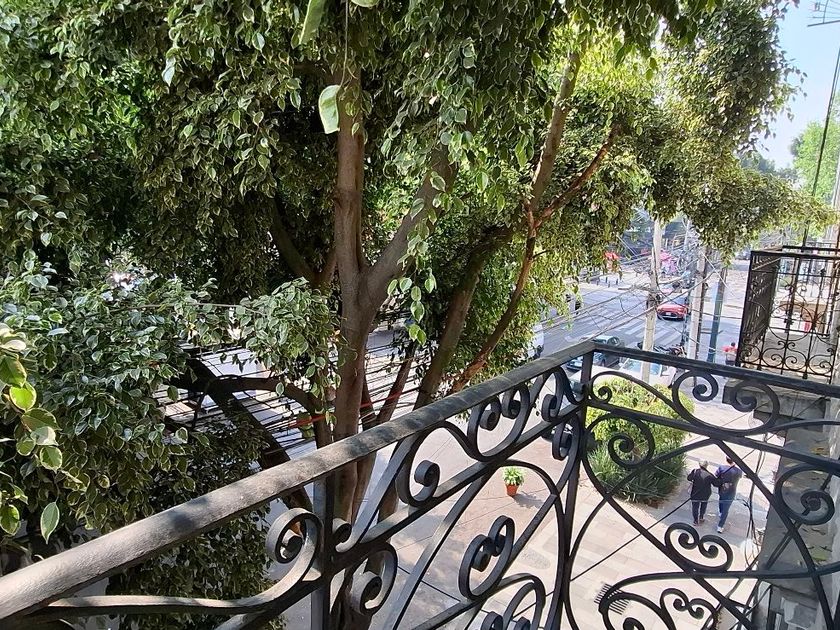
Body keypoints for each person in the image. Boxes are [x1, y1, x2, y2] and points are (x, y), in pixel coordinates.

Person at [715, 457, 743, 532]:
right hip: (731, 491)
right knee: (726, 508)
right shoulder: (738, 471)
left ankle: (720, 512)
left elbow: (716, 475)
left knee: (721, 500)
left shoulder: (722, 468)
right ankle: (720, 526)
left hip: (722, 489)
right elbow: (741, 476)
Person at [687, 460, 718, 525]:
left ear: (699, 464)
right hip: (705, 494)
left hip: (695, 493)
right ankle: (701, 517)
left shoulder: (695, 471)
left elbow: (689, 478)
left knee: (695, 507)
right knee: (703, 505)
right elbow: (716, 484)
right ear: (707, 465)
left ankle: (695, 521)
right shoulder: (710, 475)